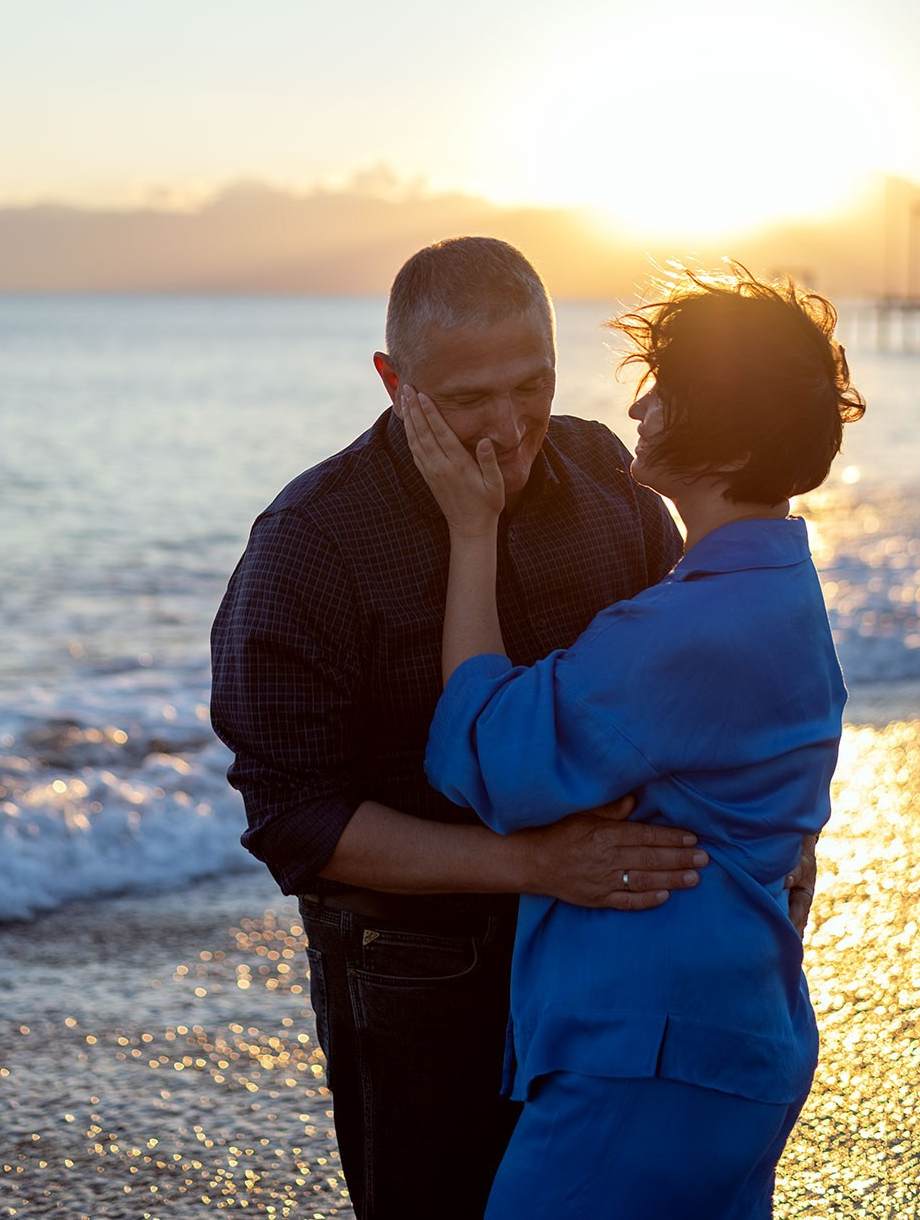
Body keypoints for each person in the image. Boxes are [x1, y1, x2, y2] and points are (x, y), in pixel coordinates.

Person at [211, 236, 710, 1220]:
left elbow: (682, 685)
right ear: (394, 381)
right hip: (421, 973)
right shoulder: (313, 543)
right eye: (469, 398)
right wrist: (532, 863)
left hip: (610, 947)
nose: (510, 426)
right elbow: (296, 818)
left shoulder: (608, 480)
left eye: (533, 383)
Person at [407, 266, 864, 1219]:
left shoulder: (687, 629)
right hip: (727, 1037)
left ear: (721, 433)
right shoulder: (776, 588)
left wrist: (472, 530)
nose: (640, 406)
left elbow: (489, 757)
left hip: (657, 1055)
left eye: (667, 390)